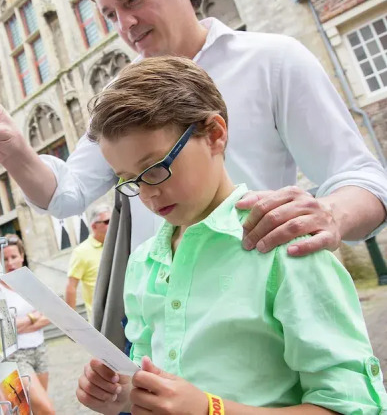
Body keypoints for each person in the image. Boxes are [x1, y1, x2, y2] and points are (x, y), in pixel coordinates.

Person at [0, 0, 387, 348]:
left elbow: (364, 180)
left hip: (256, 322)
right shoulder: (119, 96)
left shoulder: (273, 60)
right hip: (159, 331)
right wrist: (15, 152)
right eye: (110, 15)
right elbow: (67, 194)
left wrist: (330, 214)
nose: (125, 24)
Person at [76, 56, 387, 414]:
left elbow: (353, 407)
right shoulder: (143, 262)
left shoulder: (285, 245)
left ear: (214, 134)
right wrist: (123, 393)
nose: (147, 193)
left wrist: (210, 409)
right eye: (129, 180)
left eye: (156, 168)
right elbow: (150, 374)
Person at [0, 235, 55, 415]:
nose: (10, 262)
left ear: (22, 256)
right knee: (46, 410)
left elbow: (50, 315)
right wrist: (33, 317)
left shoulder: (31, 282)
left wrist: (18, 325)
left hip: (40, 350)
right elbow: (3, 329)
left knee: (34, 410)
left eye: (13, 257)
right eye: (5, 258)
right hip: (15, 356)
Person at [65, 206, 111, 322]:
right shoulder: (81, 252)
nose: (112, 224)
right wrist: (71, 321)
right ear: (94, 226)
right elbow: (71, 287)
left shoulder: (118, 244)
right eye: (107, 221)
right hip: (101, 320)